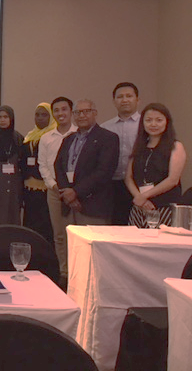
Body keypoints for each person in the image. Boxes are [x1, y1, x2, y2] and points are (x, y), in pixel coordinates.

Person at [55, 99, 119, 276]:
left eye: (86, 111)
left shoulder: (108, 138)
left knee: (93, 252)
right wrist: (67, 194)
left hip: (93, 205)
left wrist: (76, 192)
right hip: (69, 205)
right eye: (78, 112)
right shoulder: (68, 139)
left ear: (95, 113)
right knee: (70, 250)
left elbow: (104, 172)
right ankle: (69, 283)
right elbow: (58, 166)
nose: (81, 116)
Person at [125, 103, 186, 227]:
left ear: (167, 122)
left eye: (158, 120)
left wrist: (145, 196)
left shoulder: (175, 146)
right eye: (148, 120)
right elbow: (128, 177)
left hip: (164, 207)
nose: (153, 124)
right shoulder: (139, 146)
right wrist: (139, 198)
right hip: (139, 207)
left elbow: (172, 180)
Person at [38, 96, 78, 281]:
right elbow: (42, 165)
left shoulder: (79, 134)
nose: (60, 113)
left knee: (76, 233)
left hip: (77, 191)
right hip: (55, 191)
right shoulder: (46, 138)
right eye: (56, 110)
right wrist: (53, 185)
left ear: (71, 112)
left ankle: (76, 270)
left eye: (64, 109)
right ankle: (63, 271)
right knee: (59, 234)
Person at [102, 82, 141, 225]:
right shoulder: (105, 127)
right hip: (113, 184)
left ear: (137, 100)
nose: (124, 100)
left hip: (139, 184)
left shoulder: (146, 124)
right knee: (116, 224)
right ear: (114, 101)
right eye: (120, 97)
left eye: (129, 96)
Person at [21, 103, 56, 244]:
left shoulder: (53, 136)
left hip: (47, 188)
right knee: (30, 223)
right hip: (29, 188)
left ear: (51, 117)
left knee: (45, 224)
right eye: (37, 115)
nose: (40, 118)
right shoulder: (30, 136)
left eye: (44, 115)